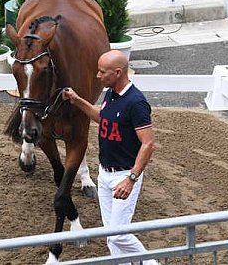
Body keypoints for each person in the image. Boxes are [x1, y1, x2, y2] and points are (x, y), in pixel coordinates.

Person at [63, 49, 158, 265]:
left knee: (119, 235)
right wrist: (77, 100)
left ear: (117, 72)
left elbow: (148, 143)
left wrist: (131, 179)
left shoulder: (136, 103)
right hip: (105, 175)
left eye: (101, 72)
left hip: (124, 176)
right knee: (111, 235)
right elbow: (102, 117)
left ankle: (152, 263)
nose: (97, 76)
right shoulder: (111, 93)